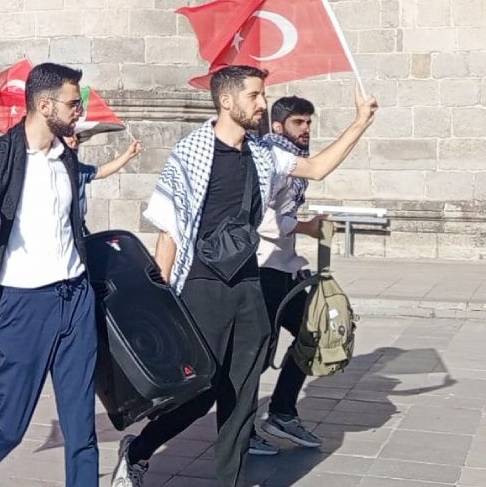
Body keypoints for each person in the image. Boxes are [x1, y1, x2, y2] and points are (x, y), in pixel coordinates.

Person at [112, 67, 378, 487]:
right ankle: (138, 451)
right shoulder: (191, 153)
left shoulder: (265, 153)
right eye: (254, 96)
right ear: (226, 101)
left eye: (263, 95)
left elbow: (316, 168)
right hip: (201, 285)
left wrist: (360, 122)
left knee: (241, 396)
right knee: (199, 394)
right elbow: (169, 231)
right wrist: (160, 299)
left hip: (248, 285)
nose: (262, 103)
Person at [0, 63, 98, 487]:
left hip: (76, 298)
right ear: (44, 105)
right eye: (73, 102)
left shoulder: (66, 156)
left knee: (81, 427)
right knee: (9, 426)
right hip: (22, 304)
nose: (79, 110)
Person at [253, 96, 326, 454]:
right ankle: (240, 432)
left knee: (312, 334)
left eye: (309, 121)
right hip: (260, 268)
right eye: (299, 122)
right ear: (278, 126)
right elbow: (262, 217)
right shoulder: (270, 158)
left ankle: (281, 411)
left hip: (285, 268)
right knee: (255, 354)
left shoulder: (294, 160)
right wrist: (306, 227)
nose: (306, 128)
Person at [62, 130, 142, 227]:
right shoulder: (51, 170)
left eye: (77, 140)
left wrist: (128, 154)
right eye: (70, 139)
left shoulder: (79, 169)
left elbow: (101, 171)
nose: (75, 143)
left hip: (78, 228)